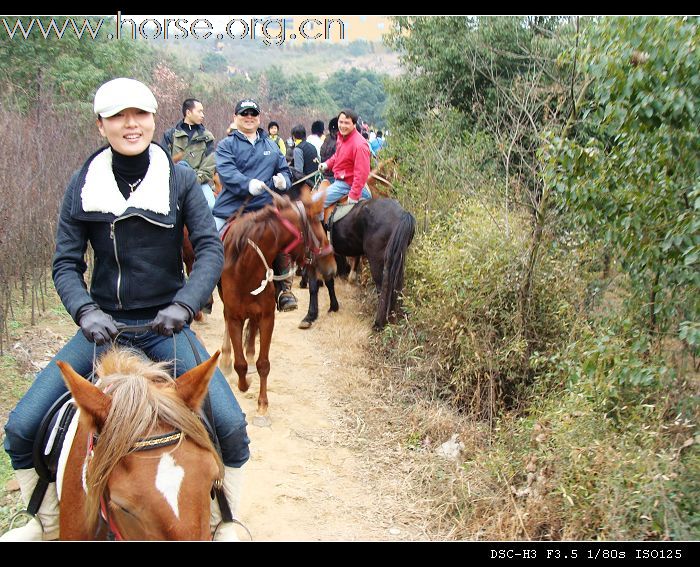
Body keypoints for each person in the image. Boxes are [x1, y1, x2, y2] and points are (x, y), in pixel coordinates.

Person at [1, 78, 249, 542]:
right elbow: (65, 263)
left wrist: (184, 303)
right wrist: (84, 311)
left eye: (139, 114)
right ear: (101, 125)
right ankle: (45, 522)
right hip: (104, 328)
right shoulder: (83, 184)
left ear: (154, 120)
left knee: (232, 426)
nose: (130, 124)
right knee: (21, 426)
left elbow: (211, 250)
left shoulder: (179, 179)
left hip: (165, 326)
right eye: (117, 116)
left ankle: (224, 523)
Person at [213, 99, 297, 312]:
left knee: (286, 236)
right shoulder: (226, 145)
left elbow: (285, 170)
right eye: (244, 114)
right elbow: (226, 172)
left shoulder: (270, 145)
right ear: (235, 118)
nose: (249, 117)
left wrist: (283, 181)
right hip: (233, 208)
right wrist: (247, 184)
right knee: (210, 239)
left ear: (259, 117)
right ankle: (206, 289)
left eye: (253, 113)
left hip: (265, 209)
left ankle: (284, 289)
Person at [162, 98, 217, 211]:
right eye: (199, 111)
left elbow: (209, 164)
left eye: (203, 112)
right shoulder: (170, 135)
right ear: (188, 112)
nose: (202, 115)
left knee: (211, 206)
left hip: (198, 181)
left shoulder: (207, 137)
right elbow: (164, 160)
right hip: (174, 181)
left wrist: (194, 180)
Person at [318, 108, 372, 209]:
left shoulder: (359, 145)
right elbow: (337, 156)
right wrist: (326, 164)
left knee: (313, 203)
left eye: (346, 123)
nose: (342, 126)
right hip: (338, 179)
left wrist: (354, 195)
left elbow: (362, 173)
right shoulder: (341, 137)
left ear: (354, 124)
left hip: (346, 184)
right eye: (340, 122)